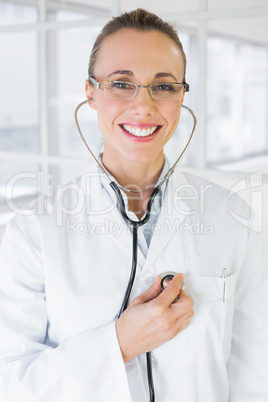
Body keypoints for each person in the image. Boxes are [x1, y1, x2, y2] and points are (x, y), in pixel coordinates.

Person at [0, 8, 267, 402]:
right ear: (90, 92)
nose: (143, 106)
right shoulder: (33, 231)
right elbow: (11, 384)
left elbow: (255, 375)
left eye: (163, 86)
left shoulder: (234, 219)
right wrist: (118, 344)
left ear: (181, 95)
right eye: (121, 84)